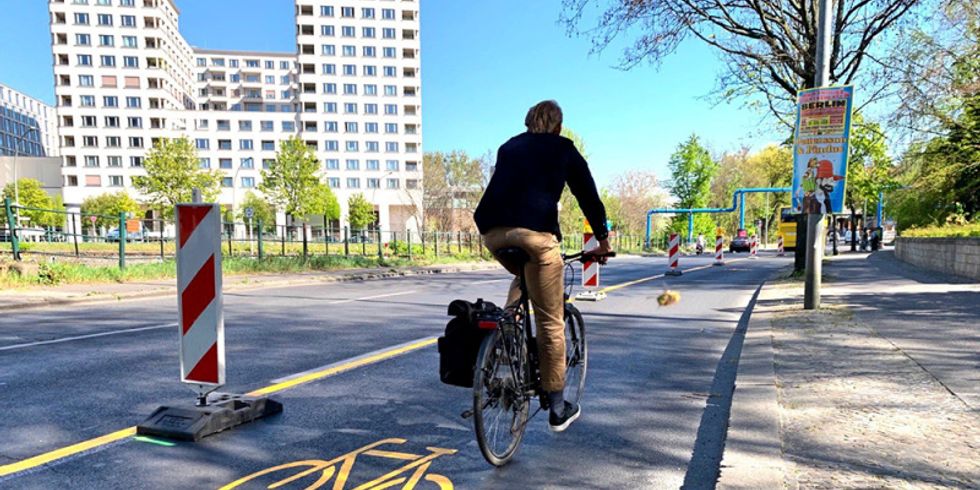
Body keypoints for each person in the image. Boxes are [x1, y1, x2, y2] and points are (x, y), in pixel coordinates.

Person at [474, 100, 612, 433]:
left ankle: (506, 347)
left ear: (527, 122)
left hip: (492, 233)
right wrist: (602, 239)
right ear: (558, 126)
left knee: (524, 277)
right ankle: (557, 407)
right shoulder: (563, 148)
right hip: (537, 236)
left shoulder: (508, 147)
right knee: (551, 321)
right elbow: (587, 195)